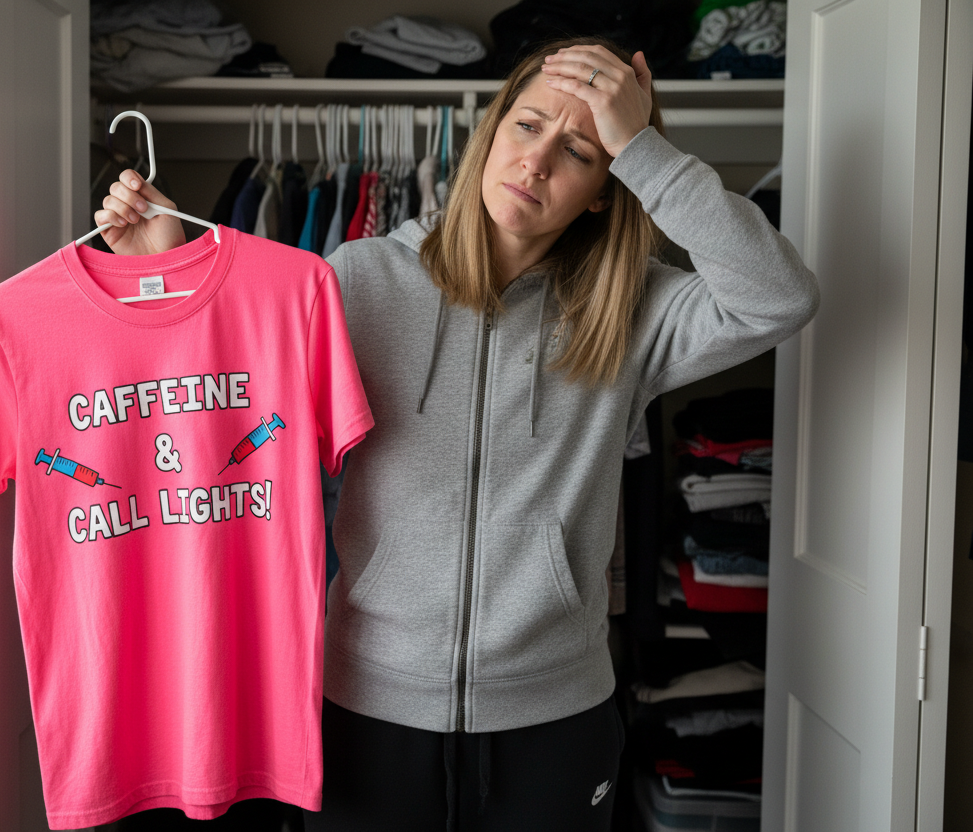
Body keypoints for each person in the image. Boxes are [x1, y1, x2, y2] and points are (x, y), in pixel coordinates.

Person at [94, 36, 818, 832]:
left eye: (579, 149)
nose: (537, 163)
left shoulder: (632, 312)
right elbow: (218, 416)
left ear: (608, 188)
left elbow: (777, 298)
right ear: (491, 131)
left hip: (553, 720)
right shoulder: (358, 280)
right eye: (527, 126)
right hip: (366, 706)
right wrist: (160, 273)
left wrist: (642, 147)